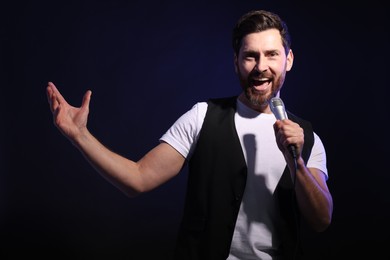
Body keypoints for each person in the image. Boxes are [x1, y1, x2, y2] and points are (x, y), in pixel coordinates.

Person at [46, 9, 333, 260]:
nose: (260, 67)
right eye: (250, 56)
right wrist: (80, 136)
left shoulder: (307, 138)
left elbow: (321, 220)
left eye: (272, 55)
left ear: (289, 59)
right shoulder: (202, 117)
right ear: (236, 62)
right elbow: (138, 178)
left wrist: (295, 163)